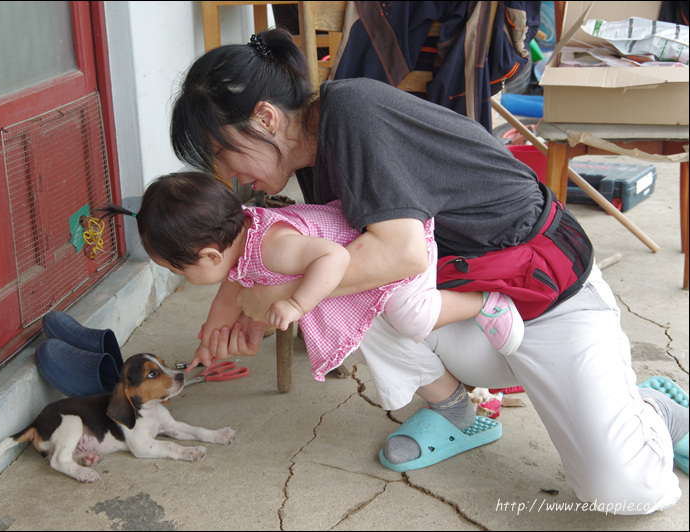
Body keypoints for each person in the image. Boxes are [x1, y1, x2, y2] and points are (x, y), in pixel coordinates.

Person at [167, 28, 688, 514]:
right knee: (338, 281)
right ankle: (459, 413)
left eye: (220, 153)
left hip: (546, 298)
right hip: (477, 312)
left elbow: (404, 256)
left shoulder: (352, 112)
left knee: (623, 492)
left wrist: (275, 299)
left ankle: (651, 408)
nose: (225, 174)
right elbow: (320, 259)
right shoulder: (309, 156)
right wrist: (246, 303)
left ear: (265, 118)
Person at [99, 172, 523, 393]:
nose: (180, 278)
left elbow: (336, 257)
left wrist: (298, 304)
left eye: (178, 270)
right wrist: (212, 334)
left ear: (210, 255)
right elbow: (229, 297)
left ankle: (486, 303)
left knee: (411, 317)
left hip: (399, 248)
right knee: (399, 323)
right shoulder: (239, 242)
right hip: (364, 253)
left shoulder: (273, 247)